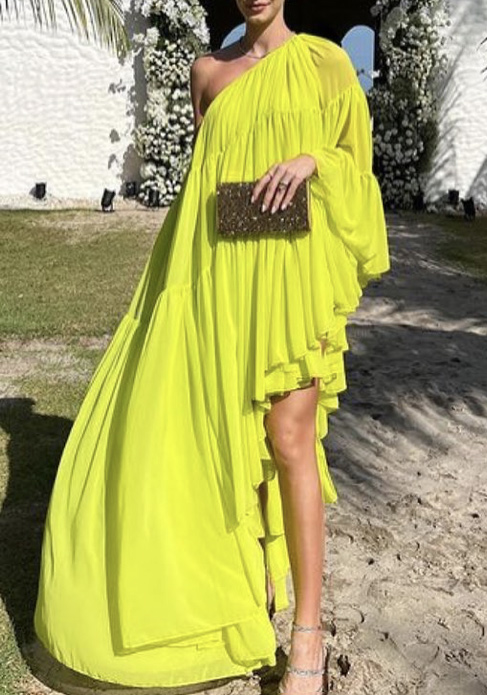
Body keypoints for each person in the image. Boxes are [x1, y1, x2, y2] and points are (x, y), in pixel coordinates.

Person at [33, 0, 390, 692]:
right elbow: (203, 188)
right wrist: (177, 291)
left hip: (291, 278)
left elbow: (357, 166)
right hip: (219, 276)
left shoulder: (325, 63)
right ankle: (246, 593)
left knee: (290, 439)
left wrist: (312, 159)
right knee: (227, 435)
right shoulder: (207, 72)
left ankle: (308, 635)